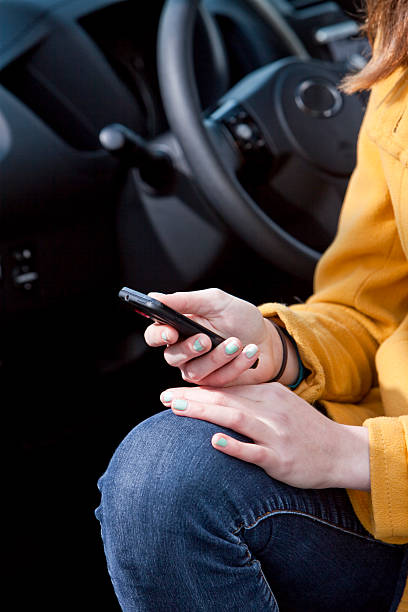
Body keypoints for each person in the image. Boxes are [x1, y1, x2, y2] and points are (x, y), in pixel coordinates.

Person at [95, 1, 408, 609]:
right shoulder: (399, 79)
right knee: (163, 478)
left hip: (378, 465)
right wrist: (277, 347)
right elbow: (370, 312)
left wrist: (360, 456)